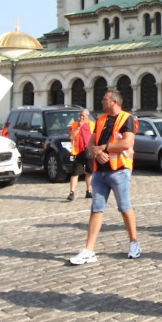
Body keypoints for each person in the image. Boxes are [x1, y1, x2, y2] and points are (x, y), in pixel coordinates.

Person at [68, 91, 141, 264]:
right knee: (96, 208)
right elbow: (91, 143)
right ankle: (89, 249)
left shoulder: (126, 118)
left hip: (119, 170)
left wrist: (104, 148)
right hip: (100, 171)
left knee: (124, 207)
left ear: (114, 101)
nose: (101, 101)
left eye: (104, 99)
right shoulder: (101, 120)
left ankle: (134, 243)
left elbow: (127, 142)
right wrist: (96, 151)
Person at [66, 109, 93, 201]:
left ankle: (88, 191)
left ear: (87, 116)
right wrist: (79, 127)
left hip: (89, 151)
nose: (81, 117)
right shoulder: (74, 124)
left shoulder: (93, 124)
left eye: (83, 115)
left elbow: (96, 137)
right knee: (75, 173)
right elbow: (71, 137)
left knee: (90, 172)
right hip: (78, 152)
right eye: (80, 115)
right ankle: (72, 192)